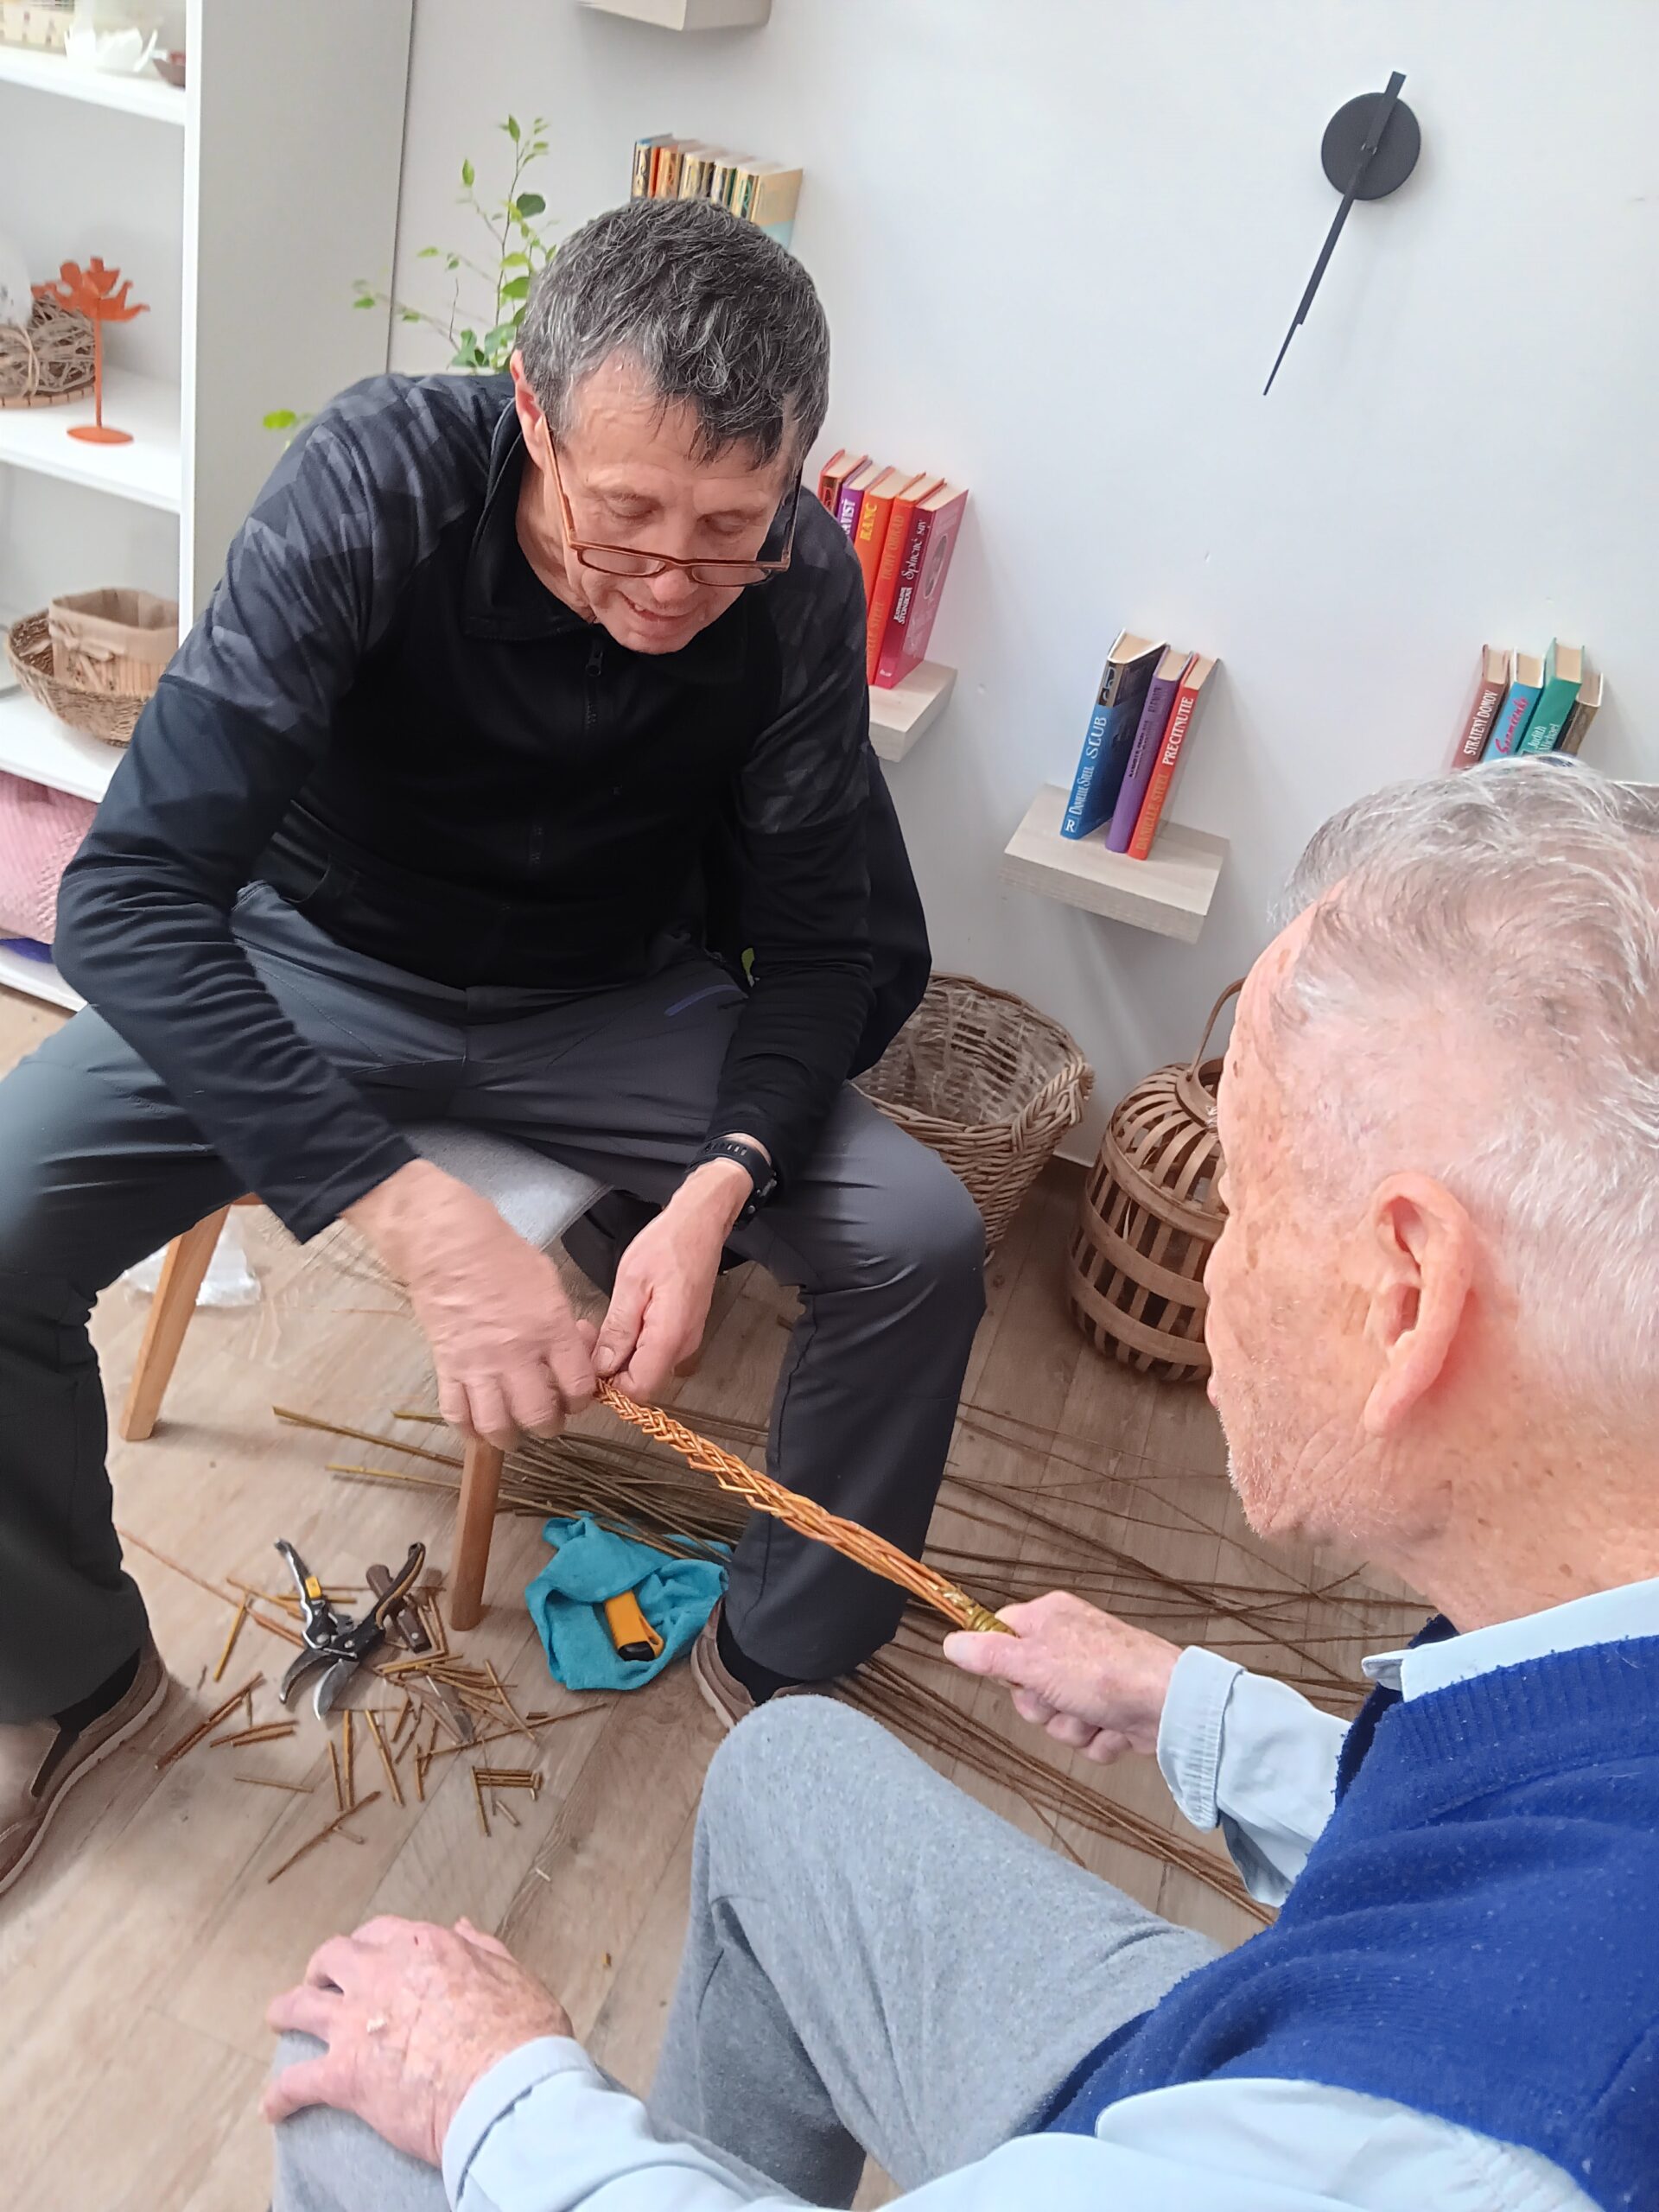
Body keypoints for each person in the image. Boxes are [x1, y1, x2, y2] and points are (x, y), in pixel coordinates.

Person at [266, 760, 1657, 2212]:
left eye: (1242, 1199)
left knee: (352, 2102)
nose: (1220, 1266)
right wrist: (1201, 1711)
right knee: (789, 1771)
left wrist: (499, 2092)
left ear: (1406, 1297)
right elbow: (1498, 1862)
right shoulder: (1582, 1693)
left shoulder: (1441, 2154)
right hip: (1296, 2020)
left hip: (1237, 2104)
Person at [0, 197, 988, 1896]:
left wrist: (717, 1185)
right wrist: (407, 1209)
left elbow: (831, 942)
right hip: (322, 958)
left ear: (793, 480)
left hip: (612, 998)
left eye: (730, 528)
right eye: (629, 515)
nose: (673, 581)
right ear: (530, 410)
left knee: (920, 1237)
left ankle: (784, 1665)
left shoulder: (800, 585)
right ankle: (59, 1674)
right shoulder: (377, 482)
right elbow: (129, 894)